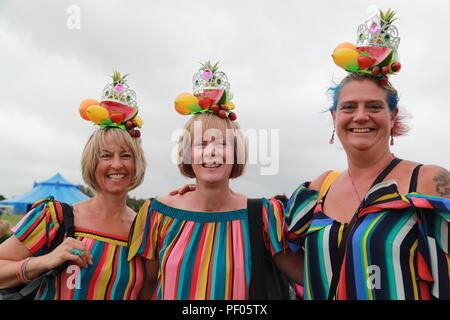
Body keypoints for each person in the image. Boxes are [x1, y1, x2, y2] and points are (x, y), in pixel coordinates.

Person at [285, 9, 449, 300]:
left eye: (373, 107)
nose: (360, 116)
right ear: (335, 117)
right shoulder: (319, 188)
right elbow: (296, 260)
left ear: (392, 116)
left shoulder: (427, 181)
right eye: (349, 107)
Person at [128, 61, 301, 300]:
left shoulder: (262, 215)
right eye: (201, 144)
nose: (211, 152)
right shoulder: (158, 214)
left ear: (236, 153)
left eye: (221, 143)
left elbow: (308, 274)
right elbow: (145, 288)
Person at [0, 71, 147, 299]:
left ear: (137, 163)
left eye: (126, 155)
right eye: (106, 156)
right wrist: (45, 260)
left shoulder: (146, 230)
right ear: (92, 162)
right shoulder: (55, 218)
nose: (116, 165)